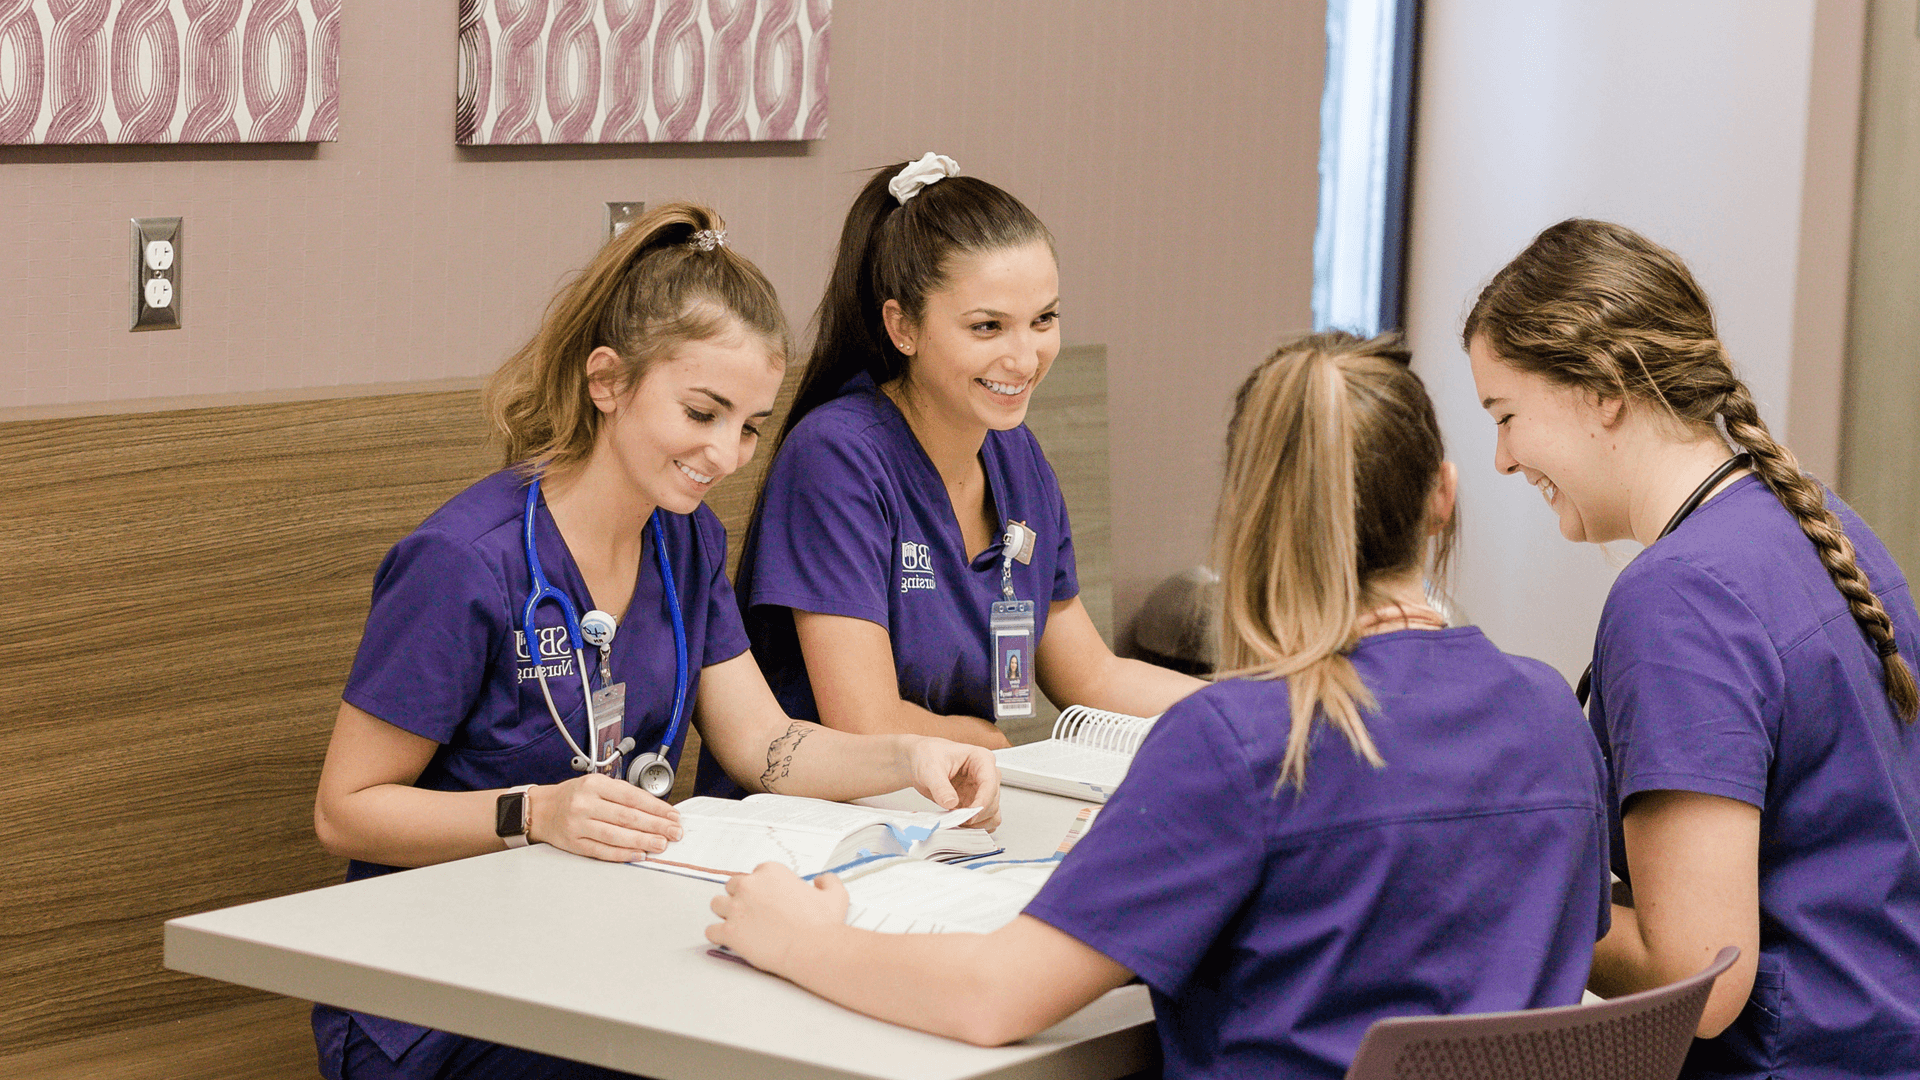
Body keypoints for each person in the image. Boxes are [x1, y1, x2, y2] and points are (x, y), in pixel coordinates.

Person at [707, 331, 1612, 1078]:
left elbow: (994, 997)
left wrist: (797, 939)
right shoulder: (1550, 718)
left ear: (1248, 515)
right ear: (1442, 497)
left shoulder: (1244, 742)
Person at [309, 203, 1000, 1080]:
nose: (726, 454)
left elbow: (763, 742)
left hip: (595, 953)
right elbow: (345, 810)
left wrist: (909, 756)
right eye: (702, 412)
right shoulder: (462, 563)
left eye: (749, 426)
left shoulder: (686, 541)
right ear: (609, 381)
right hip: (433, 998)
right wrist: (536, 814)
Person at [1465, 218, 1920, 1077]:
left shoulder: (1677, 600)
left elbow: (1700, 986)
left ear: (1604, 388)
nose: (1501, 458)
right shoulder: (1822, 527)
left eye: (1507, 415)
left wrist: (1512, 887)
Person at [698, 154, 1203, 800]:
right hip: (815, 824)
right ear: (902, 326)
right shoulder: (836, 457)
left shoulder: (1018, 458)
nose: (1024, 357)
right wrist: (982, 743)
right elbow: (868, 724)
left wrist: (1255, 707)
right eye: (987, 326)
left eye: (1044, 319)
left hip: (953, 813)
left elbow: (1094, 676)